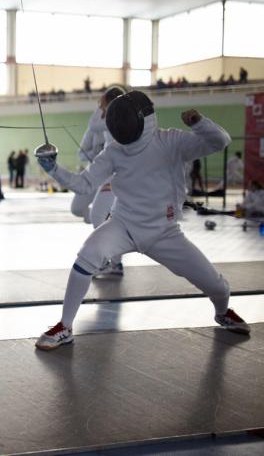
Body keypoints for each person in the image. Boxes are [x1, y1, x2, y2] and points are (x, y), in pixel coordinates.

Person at [34, 91, 250, 350]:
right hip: (124, 224)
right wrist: (54, 169)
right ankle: (65, 326)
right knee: (87, 255)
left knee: (217, 286)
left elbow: (220, 141)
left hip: (165, 232)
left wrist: (198, 122)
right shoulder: (115, 150)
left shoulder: (171, 141)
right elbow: (84, 184)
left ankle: (222, 311)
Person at [82, 86, 127, 276]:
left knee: (98, 216)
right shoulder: (121, 118)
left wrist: (100, 107)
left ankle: (112, 262)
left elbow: (93, 125)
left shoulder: (116, 119)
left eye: (103, 103)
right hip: (113, 170)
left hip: (115, 173)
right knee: (108, 217)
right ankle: (113, 262)